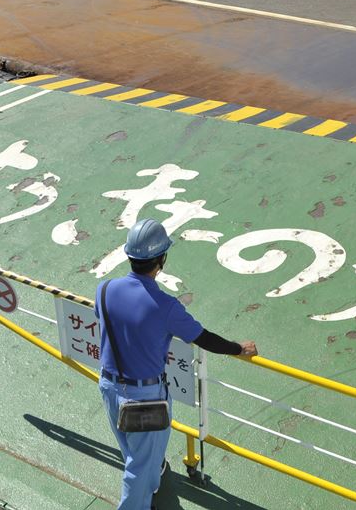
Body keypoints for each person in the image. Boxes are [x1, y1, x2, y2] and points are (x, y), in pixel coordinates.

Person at [96, 218, 258, 510]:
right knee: (138, 467)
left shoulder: (104, 290)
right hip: (144, 398)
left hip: (108, 386)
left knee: (133, 451)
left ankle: (152, 480)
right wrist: (239, 348)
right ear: (161, 260)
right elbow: (204, 339)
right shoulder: (166, 307)